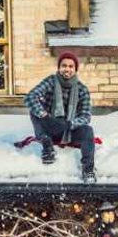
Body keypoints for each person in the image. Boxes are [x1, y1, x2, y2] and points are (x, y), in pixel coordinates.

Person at [24, 51, 96, 182]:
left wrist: (70, 124)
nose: (67, 69)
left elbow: (86, 116)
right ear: (59, 68)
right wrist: (45, 116)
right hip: (50, 125)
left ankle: (88, 170)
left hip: (69, 128)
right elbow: (30, 97)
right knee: (35, 111)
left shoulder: (82, 89)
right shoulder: (51, 81)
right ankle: (47, 146)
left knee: (88, 130)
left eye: (70, 66)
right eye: (64, 66)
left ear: (75, 69)